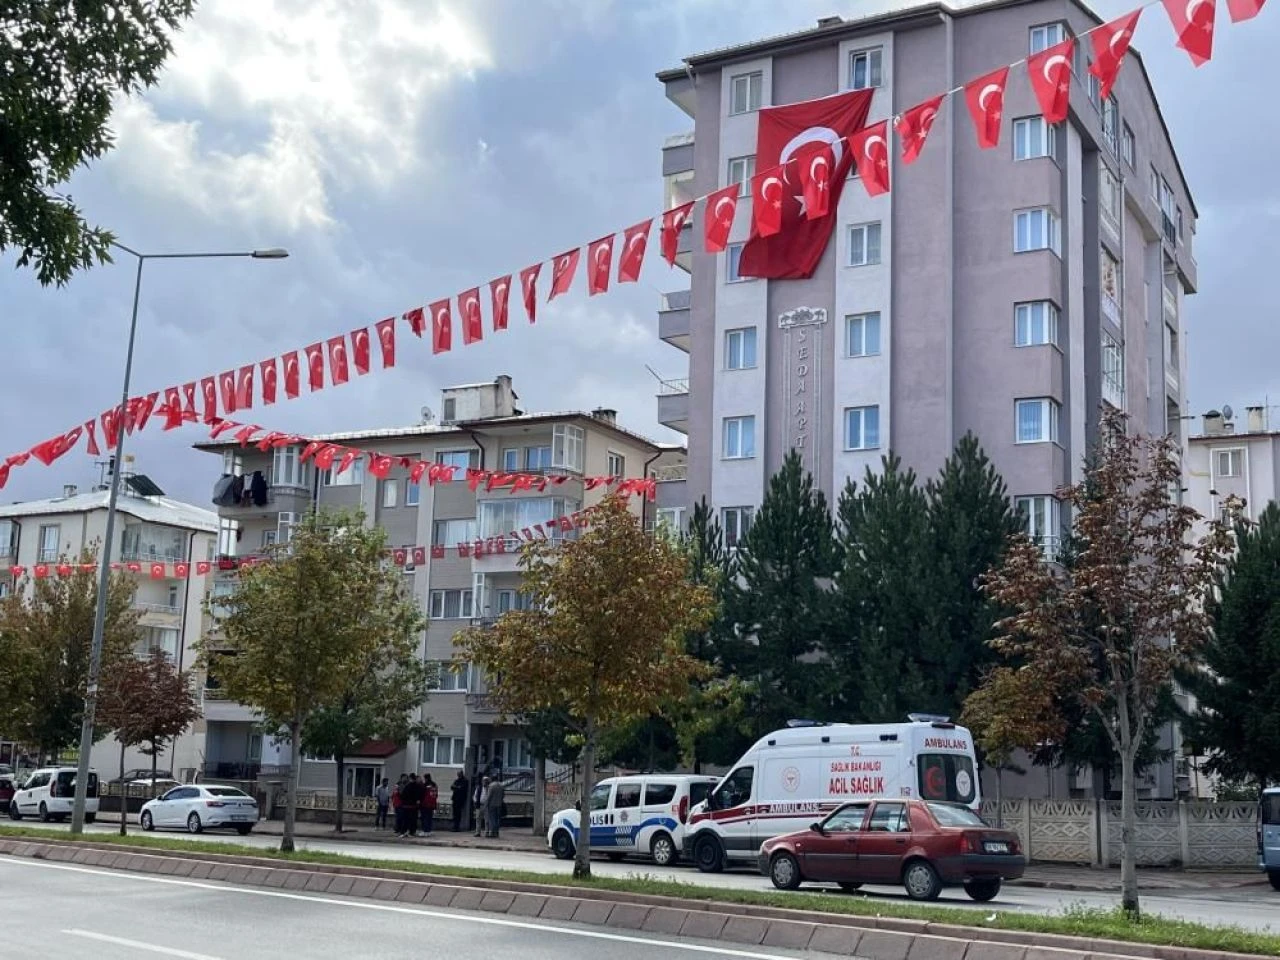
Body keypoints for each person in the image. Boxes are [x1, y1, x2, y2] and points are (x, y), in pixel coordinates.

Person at [398, 774, 422, 838]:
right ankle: (412, 832)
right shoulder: (418, 786)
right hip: (414, 806)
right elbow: (420, 795)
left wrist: (404, 802)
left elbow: (402, 795)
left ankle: (403, 832)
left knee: (405, 820)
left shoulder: (407, 786)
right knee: (413, 820)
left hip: (406, 806)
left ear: (410, 778)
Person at [484, 775, 505, 839]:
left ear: (492, 779)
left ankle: (492, 832)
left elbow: (489, 796)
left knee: (492, 818)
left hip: (492, 804)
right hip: (499, 804)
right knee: (497, 819)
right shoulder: (501, 785)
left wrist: (486, 804)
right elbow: (503, 795)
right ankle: (496, 832)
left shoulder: (491, 786)